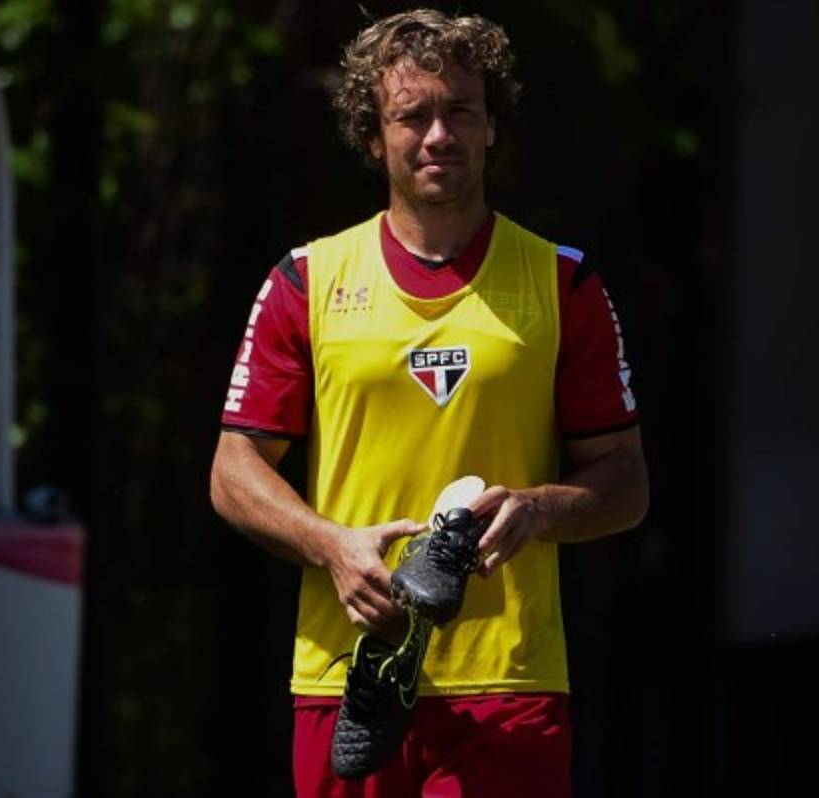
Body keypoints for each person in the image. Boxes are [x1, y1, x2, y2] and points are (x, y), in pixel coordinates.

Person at [209, 8, 648, 796]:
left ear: (491, 129)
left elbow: (626, 482)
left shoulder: (563, 284)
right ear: (373, 136)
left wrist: (543, 508)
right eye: (412, 116)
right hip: (347, 676)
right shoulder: (305, 283)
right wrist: (332, 545)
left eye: (460, 112)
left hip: (507, 682)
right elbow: (232, 470)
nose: (438, 135)